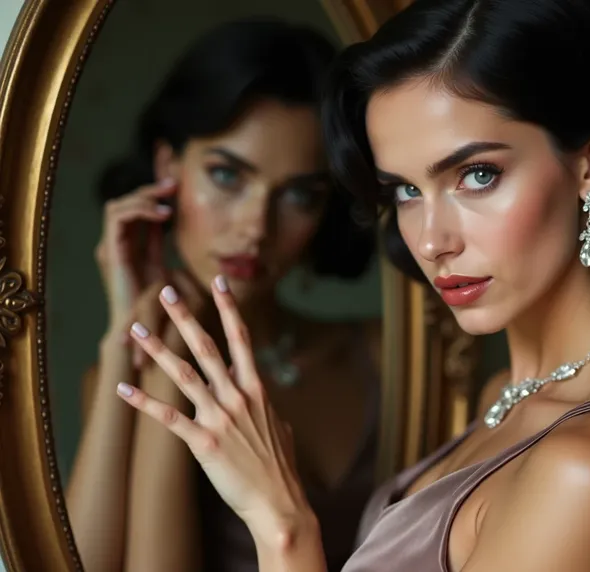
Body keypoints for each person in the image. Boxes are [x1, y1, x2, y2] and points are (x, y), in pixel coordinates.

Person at [114, 0, 590, 570]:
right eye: (406, 190)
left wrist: (280, 524)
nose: (430, 241)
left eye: (477, 175)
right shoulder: (508, 393)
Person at [67, 19, 380, 572]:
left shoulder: (382, 355)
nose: (255, 228)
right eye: (227, 176)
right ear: (169, 168)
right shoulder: (123, 383)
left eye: (299, 196)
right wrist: (141, 349)